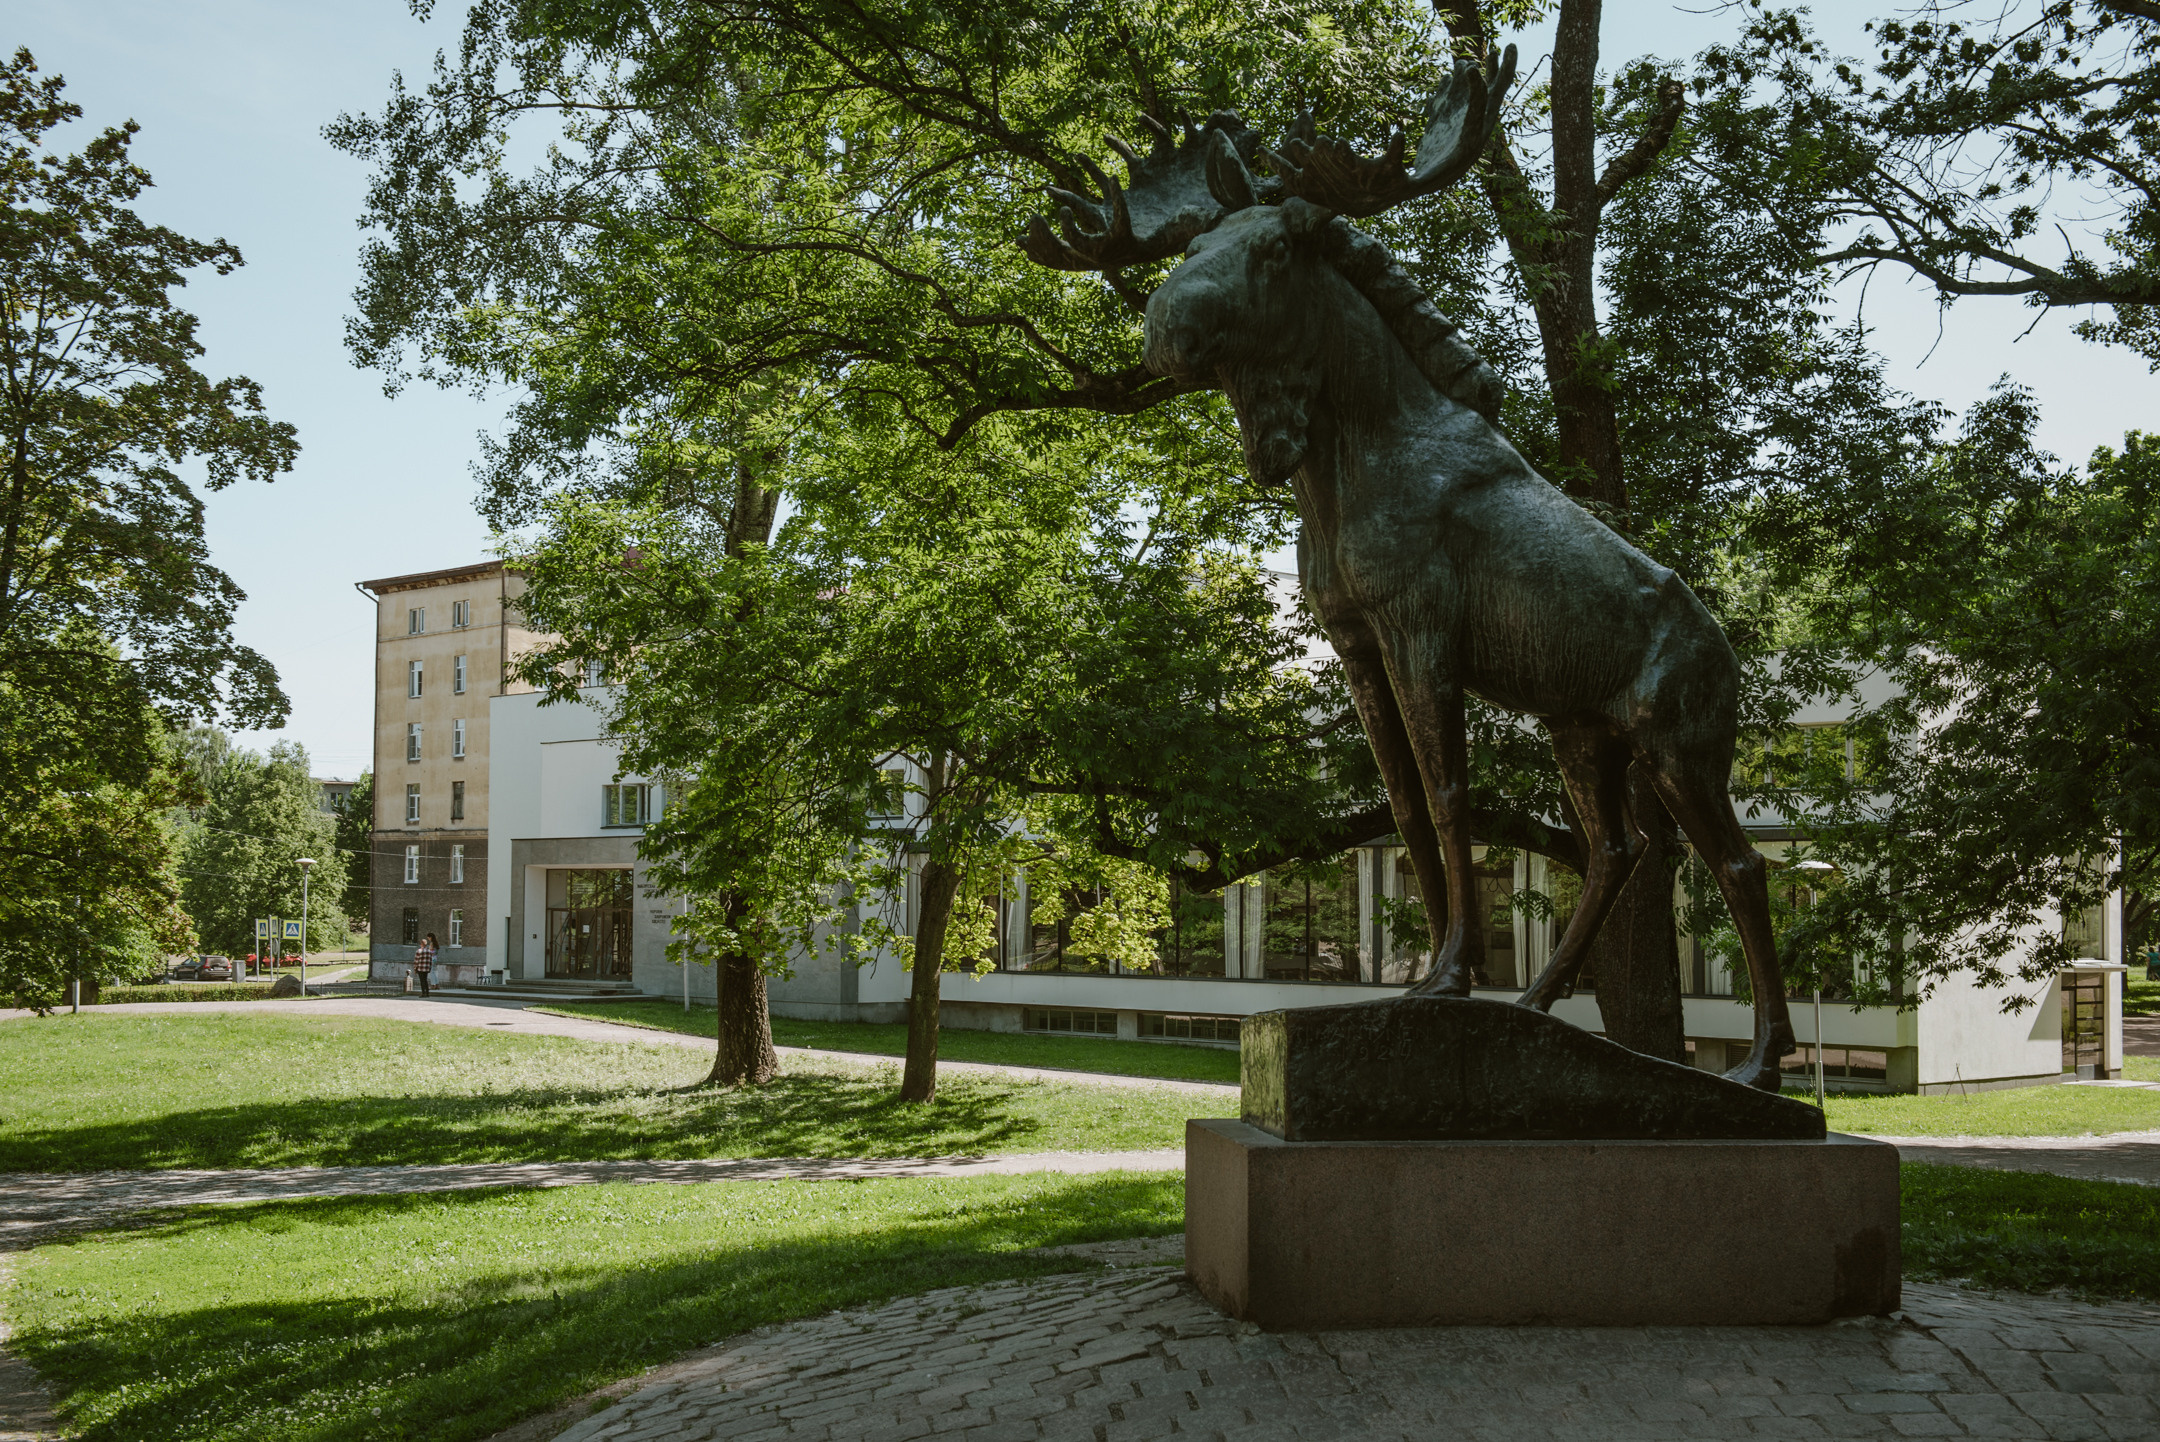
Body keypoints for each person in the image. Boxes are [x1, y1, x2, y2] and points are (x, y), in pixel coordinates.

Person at [413, 932, 437, 997]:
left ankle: (423, 993)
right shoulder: (429, 951)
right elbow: (430, 961)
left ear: (421, 944)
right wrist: (429, 968)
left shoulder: (418, 951)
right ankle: (427, 993)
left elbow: (416, 961)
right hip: (426, 968)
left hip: (420, 968)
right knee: (425, 980)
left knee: (422, 981)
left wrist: (415, 968)